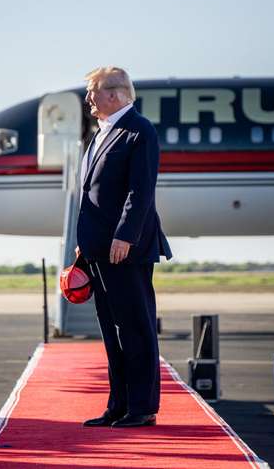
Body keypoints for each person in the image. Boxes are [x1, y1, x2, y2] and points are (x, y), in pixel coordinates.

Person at [76, 66, 172, 428]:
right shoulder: (100, 134)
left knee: (135, 327)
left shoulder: (138, 131)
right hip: (99, 248)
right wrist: (84, 247)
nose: (88, 99)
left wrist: (126, 236)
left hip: (125, 248)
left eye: (92, 92)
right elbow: (91, 196)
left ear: (114, 94)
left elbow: (141, 190)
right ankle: (118, 405)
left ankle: (142, 407)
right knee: (111, 328)